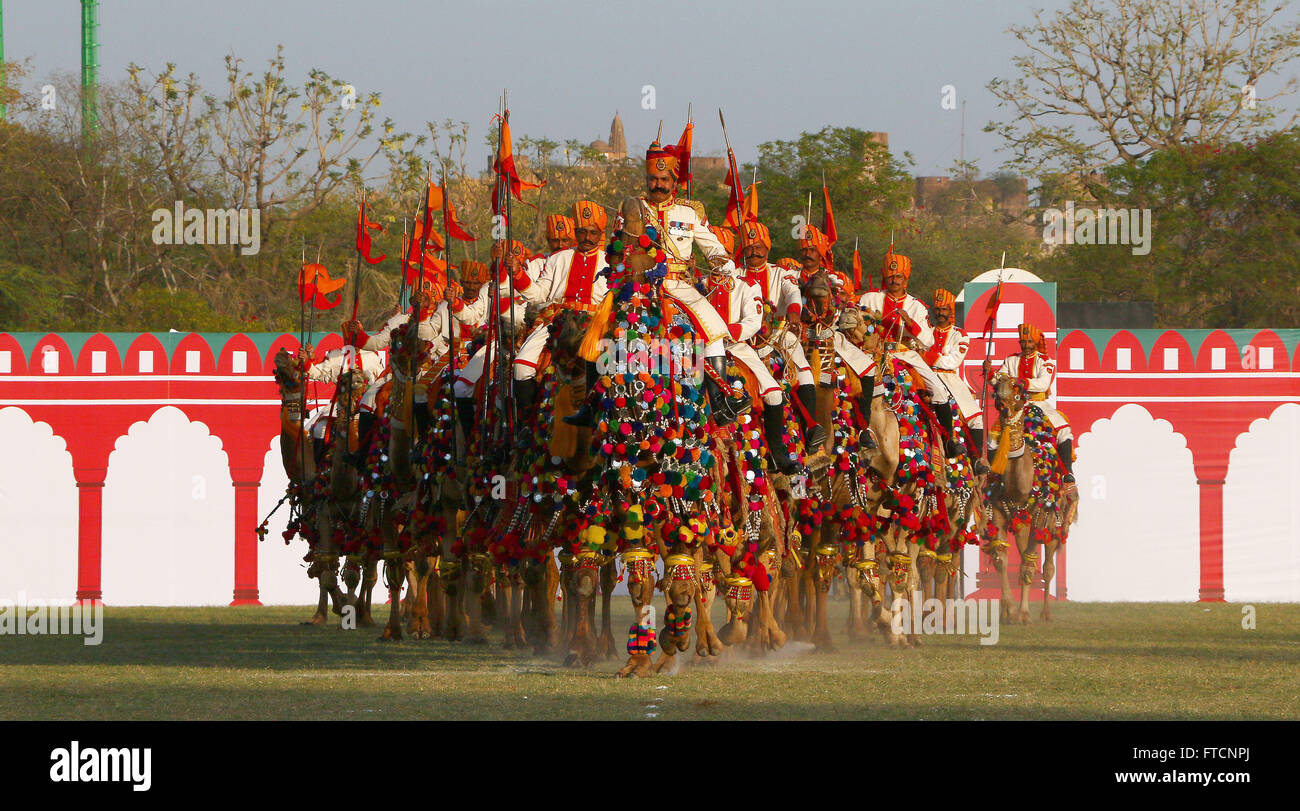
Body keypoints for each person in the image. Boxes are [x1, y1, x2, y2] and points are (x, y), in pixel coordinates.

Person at [857, 249, 958, 457]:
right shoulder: (871, 298)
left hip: (904, 354)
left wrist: (910, 323)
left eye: (899, 277)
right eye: (891, 276)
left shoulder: (916, 306)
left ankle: (948, 441)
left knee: (939, 391)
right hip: (872, 352)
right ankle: (857, 429)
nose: (894, 280)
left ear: (906, 280)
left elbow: (928, 340)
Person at [738, 220, 826, 449]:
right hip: (743, 338)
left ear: (767, 249)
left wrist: (794, 314)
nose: (754, 251)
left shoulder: (781, 273)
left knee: (804, 372)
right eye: (749, 246)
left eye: (759, 246)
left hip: (778, 332)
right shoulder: (735, 274)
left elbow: (792, 293)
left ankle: (810, 430)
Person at [982, 323, 1075, 484]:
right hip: (1015, 406)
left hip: (1038, 404)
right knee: (992, 439)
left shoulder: (1045, 361)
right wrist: (990, 373)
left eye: (1029, 342)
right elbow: (999, 381)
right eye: (1023, 342)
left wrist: (1019, 382)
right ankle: (992, 476)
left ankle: (1067, 472)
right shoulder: (1011, 360)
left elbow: (1043, 383)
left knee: (1063, 430)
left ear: (1036, 342)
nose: (1026, 346)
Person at [927, 289, 988, 472]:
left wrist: (928, 356)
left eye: (944, 309)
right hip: (925, 376)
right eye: (937, 309)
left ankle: (976, 460)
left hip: (949, 378)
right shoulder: (927, 331)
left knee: (976, 418)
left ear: (951, 311)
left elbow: (952, 361)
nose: (940, 313)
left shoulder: (960, 335)